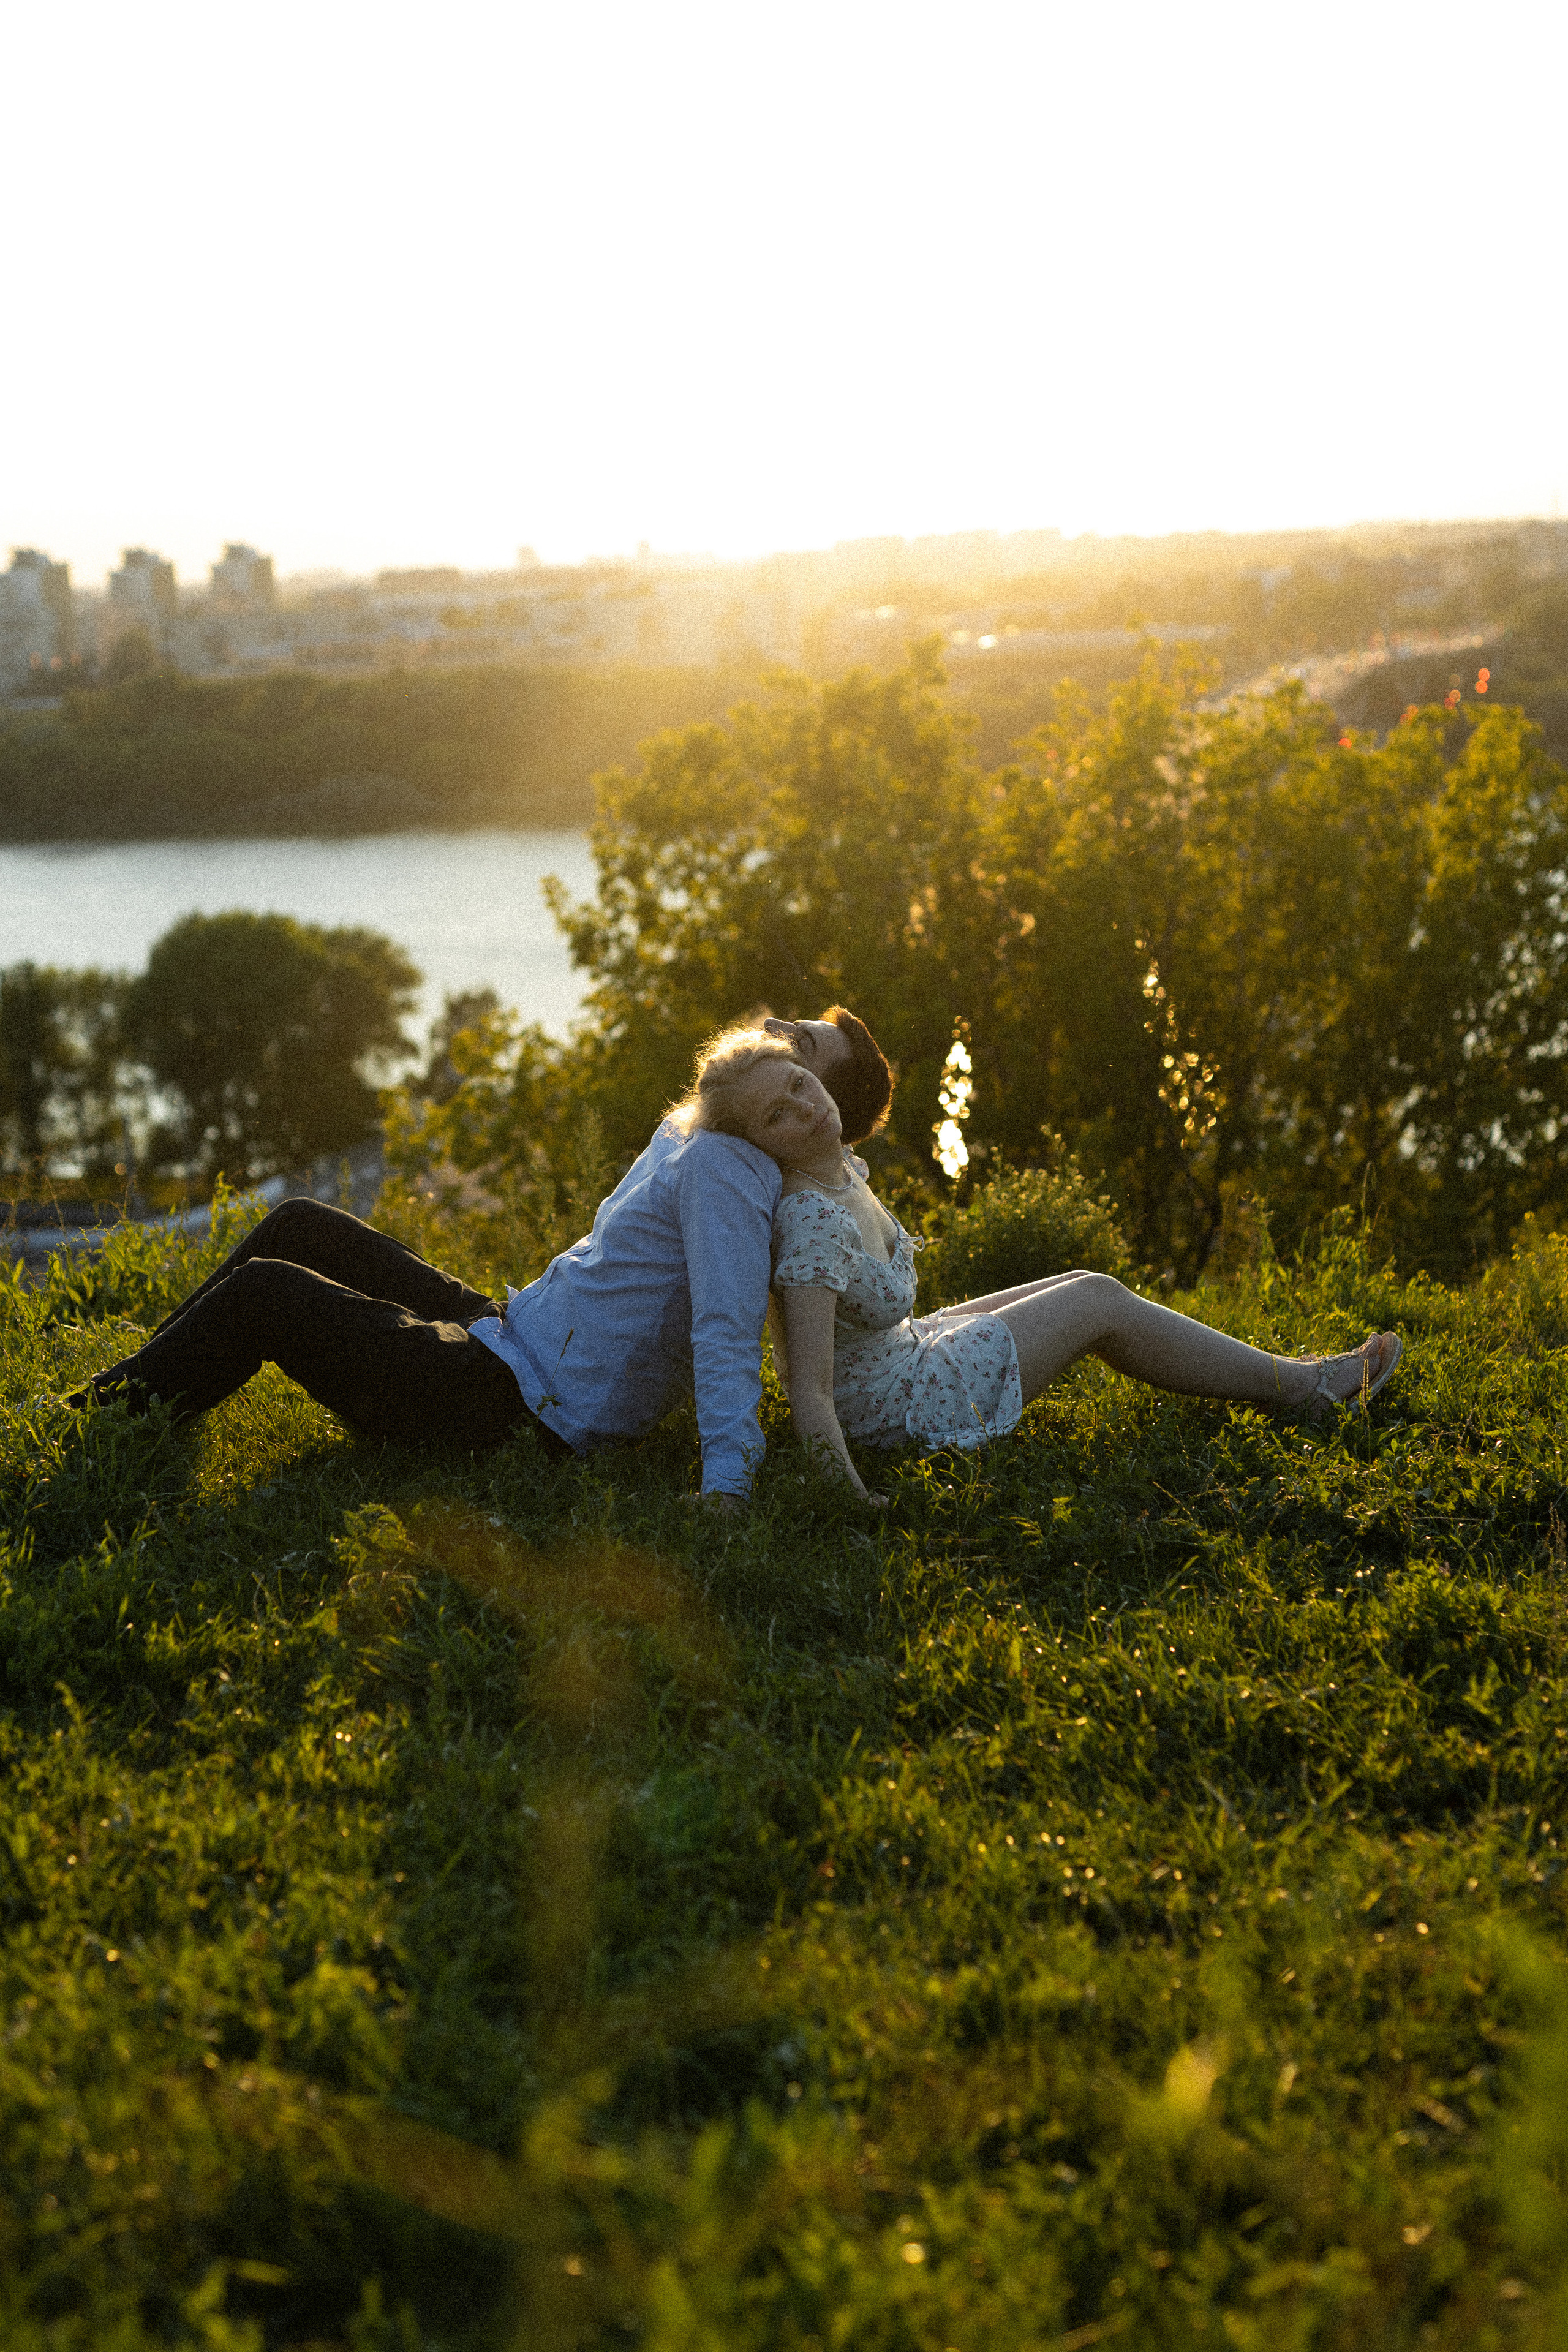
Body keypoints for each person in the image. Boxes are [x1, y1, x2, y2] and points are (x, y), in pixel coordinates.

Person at [66, 1009, 885, 1502]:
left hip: (517, 1409)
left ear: (820, 1111)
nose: (779, 1037)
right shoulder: (709, 1123)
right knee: (301, 1224)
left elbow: (727, 1330)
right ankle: (143, 1378)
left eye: (802, 1058)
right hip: (513, 1329)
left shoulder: (734, 1171)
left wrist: (728, 1483)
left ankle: (96, 1421)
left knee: (267, 1293)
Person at [687, 1029, 1402, 1504]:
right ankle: (1303, 1388)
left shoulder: (838, 1168)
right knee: (1098, 1302)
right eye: (775, 1115)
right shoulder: (810, 1220)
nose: (803, 1108)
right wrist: (852, 1499)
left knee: (1083, 1283)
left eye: (799, 1083)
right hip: (899, 1408)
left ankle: (1281, 1374)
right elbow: (808, 1386)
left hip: (906, 1352)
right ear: (758, 1146)